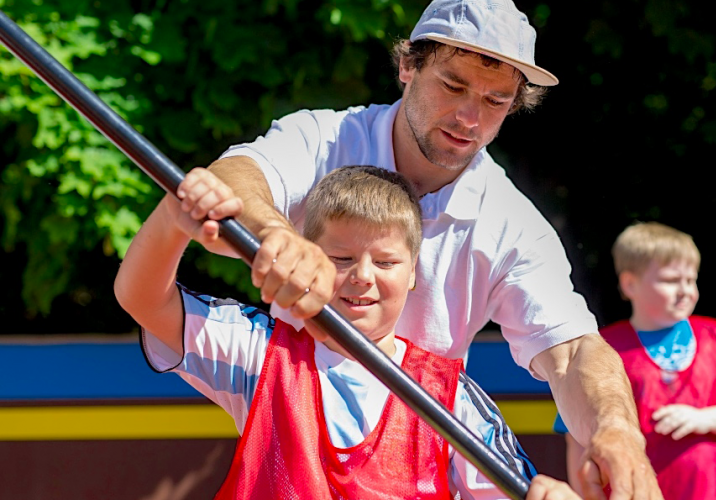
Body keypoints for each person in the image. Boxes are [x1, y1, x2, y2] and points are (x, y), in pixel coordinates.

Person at [203, 0, 661, 497]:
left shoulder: (512, 223)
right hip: (289, 450)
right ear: (408, 65)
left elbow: (572, 352)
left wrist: (618, 430)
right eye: (454, 85)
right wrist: (280, 237)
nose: (469, 116)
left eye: (496, 100)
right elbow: (229, 181)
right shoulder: (324, 137)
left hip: (416, 468)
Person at [115, 165, 582, 499]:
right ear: (309, 256)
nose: (362, 276)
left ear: (415, 272)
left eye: (385, 262)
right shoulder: (262, 355)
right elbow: (142, 298)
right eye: (340, 259)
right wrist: (173, 221)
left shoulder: (451, 398)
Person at [553, 222, 716, 499]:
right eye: (671, 280)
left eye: (691, 280)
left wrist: (703, 419)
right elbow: (576, 436)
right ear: (630, 284)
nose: (685, 290)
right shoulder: (601, 349)